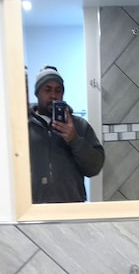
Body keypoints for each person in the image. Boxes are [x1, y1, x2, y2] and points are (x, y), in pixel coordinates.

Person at [28, 65, 105, 203]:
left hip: (71, 208)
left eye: (58, 90)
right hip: (33, 210)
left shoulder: (80, 126)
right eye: (47, 90)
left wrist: (75, 139)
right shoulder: (24, 127)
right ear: (37, 93)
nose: (53, 95)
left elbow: (94, 168)